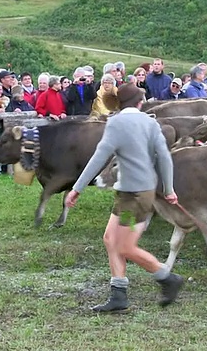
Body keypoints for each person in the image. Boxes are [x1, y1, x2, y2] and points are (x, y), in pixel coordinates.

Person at [64, 82, 183, 313]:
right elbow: (165, 158)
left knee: (125, 246)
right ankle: (118, 294)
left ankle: (167, 278)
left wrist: (77, 188)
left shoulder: (116, 122)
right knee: (110, 239)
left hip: (133, 197)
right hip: (136, 193)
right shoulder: (150, 122)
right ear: (140, 103)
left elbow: (99, 157)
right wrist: (169, 189)